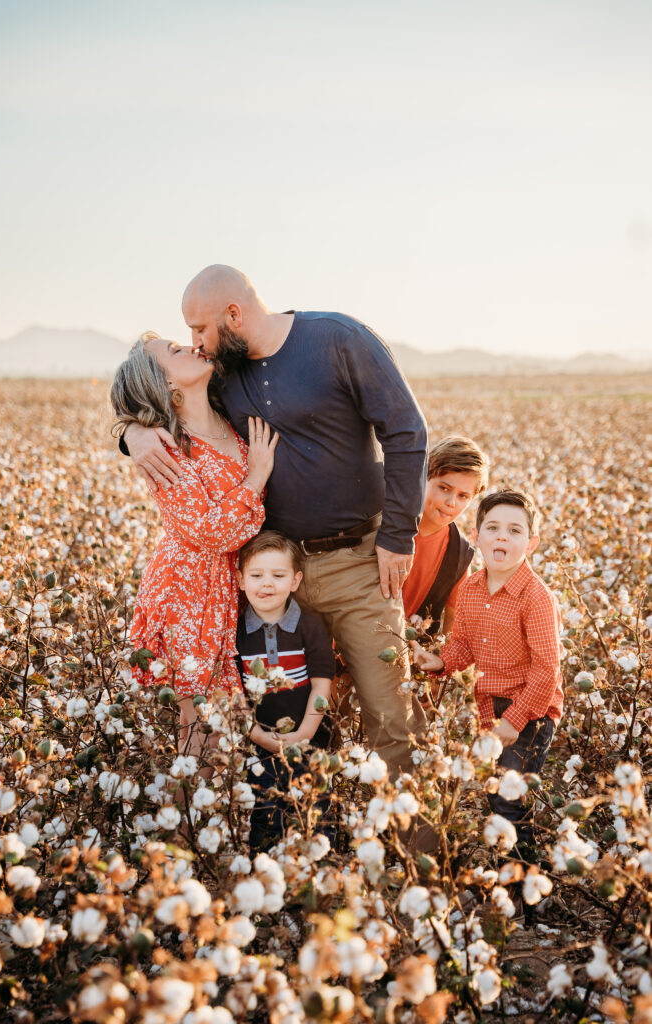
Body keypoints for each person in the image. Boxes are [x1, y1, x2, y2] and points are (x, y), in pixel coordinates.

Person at [121, 265, 429, 777]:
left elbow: (406, 430)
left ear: (234, 315)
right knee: (265, 717)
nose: (195, 343)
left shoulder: (338, 339)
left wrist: (399, 533)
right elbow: (156, 391)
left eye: (200, 330)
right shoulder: (221, 369)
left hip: (358, 565)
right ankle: (295, 841)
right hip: (267, 576)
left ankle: (419, 848)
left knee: (389, 712)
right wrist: (132, 432)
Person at [110, 330, 278, 759]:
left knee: (217, 731)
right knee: (201, 730)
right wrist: (256, 476)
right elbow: (209, 530)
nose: (189, 345)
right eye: (173, 351)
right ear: (166, 384)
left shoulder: (225, 410)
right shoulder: (165, 446)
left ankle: (201, 825)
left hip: (222, 588)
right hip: (186, 591)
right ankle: (183, 827)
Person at [411, 489, 563, 853]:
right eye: (493, 528)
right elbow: (464, 643)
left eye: (514, 531)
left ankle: (527, 892)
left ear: (531, 543)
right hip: (489, 707)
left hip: (532, 711)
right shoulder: (471, 589)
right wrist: (442, 661)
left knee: (510, 801)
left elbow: (547, 669)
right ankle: (510, 881)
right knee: (496, 797)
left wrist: (514, 719)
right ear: (477, 537)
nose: (502, 537)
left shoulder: (537, 597)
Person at [235, 530, 335, 850]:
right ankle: (270, 876)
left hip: (311, 737)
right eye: (257, 575)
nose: (267, 584)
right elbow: (233, 692)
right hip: (258, 742)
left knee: (314, 809)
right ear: (240, 580)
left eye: (278, 575)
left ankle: (319, 871)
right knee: (264, 813)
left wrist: (304, 733)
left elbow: (321, 683)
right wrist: (257, 735)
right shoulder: (235, 632)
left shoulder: (310, 625)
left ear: (295, 580)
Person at [402, 435, 489, 637]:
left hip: (400, 659)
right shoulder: (385, 520)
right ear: (425, 477)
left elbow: (453, 631)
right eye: (444, 488)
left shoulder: (458, 556)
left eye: (463, 496)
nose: (451, 502)